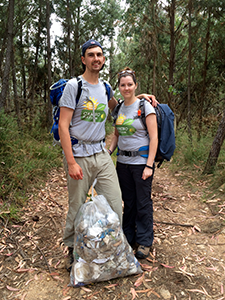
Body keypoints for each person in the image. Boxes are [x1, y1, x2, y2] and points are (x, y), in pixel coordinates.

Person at [58, 40, 157, 270]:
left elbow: (121, 107)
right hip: (79, 153)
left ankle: (111, 243)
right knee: (77, 204)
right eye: (91, 55)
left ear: (103, 59)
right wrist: (71, 161)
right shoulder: (75, 86)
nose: (96, 58)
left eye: (99, 55)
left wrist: (139, 96)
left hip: (101, 153)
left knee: (114, 201)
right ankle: (73, 248)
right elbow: (64, 126)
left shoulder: (105, 87)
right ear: (83, 59)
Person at [108, 67, 158, 259]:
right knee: (128, 202)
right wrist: (109, 152)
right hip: (123, 163)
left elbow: (154, 138)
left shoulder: (146, 107)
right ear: (119, 87)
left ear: (136, 86)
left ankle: (145, 241)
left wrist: (149, 165)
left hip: (141, 163)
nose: (126, 88)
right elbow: (116, 136)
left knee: (142, 202)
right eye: (123, 85)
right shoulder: (119, 108)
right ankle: (128, 236)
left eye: (130, 84)